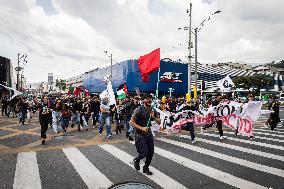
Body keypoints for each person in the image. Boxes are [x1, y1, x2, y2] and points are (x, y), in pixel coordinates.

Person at [130, 94, 160, 175]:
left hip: (149, 134)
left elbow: (159, 122)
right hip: (139, 134)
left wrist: (155, 118)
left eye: (150, 99)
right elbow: (131, 122)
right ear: (143, 100)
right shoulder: (139, 110)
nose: (149, 100)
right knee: (144, 153)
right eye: (147, 99)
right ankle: (137, 159)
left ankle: (146, 168)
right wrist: (142, 128)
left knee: (151, 152)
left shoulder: (153, 110)